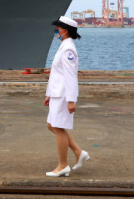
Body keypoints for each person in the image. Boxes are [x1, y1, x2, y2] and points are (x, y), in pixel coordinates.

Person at [44, 16, 89, 177]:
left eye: (58, 28)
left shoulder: (68, 48)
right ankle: (78, 152)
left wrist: (71, 100)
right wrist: (48, 94)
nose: (56, 30)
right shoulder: (64, 45)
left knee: (57, 127)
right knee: (52, 125)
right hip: (57, 93)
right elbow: (56, 73)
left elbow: (70, 76)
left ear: (65, 31)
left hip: (63, 95)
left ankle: (63, 165)